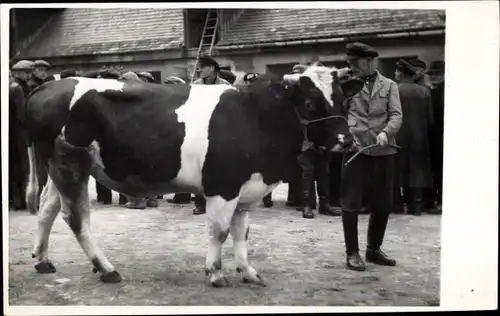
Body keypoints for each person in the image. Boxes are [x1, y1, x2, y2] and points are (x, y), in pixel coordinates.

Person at [340, 42, 403, 271]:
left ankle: (373, 250)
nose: (352, 67)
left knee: (383, 204)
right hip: (355, 150)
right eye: (349, 63)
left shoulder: (390, 85)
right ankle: (352, 253)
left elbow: (396, 115)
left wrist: (387, 133)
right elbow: (339, 114)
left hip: (383, 149)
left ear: (369, 61)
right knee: (351, 202)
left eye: (355, 63)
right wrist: (348, 136)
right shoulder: (346, 84)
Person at [393, 59, 435, 216]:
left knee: (396, 170)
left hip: (397, 136)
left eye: (397, 72)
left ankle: (397, 205)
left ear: (401, 73)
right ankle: (415, 206)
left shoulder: (394, 90)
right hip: (419, 137)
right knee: (417, 170)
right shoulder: (424, 92)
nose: (395, 74)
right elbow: (430, 119)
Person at [191, 56, 232, 215]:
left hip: (220, 133)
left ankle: (219, 203)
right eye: (199, 66)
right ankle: (200, 204)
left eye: (203, 67)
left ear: (213, 68)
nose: (199, 69)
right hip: (199, 132)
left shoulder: (225, 86)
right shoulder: (195, 86)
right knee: (198, 169)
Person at [426, 61, 445, 215]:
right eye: (432, 74)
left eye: (437, 74)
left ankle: (441, 202)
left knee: (441, 171)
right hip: (435, 138)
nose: (434, 77)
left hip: (441, 137)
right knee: (437, 170)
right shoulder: (434, 91)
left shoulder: (443, 92)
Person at [9, 70, 28, 210]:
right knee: (21, 167)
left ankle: (13, 200)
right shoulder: (16, 89)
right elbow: (22, 114)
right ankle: (20, 201)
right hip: (18, 132)